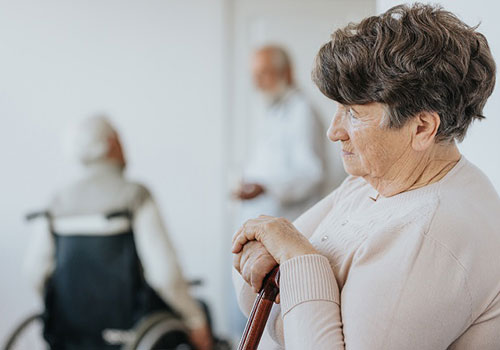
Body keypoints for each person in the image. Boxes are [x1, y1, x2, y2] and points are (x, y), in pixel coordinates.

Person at [232, 4, 500, 349]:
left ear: (421, 127)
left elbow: (276, 280)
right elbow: (253, 292)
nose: (333, 131)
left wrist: (297, 259)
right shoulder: (367, 183)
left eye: (354, 114)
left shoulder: (433, 236)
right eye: (339, 108)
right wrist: (297, 290)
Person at [24, 116, 212, 350]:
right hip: (130, 330)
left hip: (69, 332)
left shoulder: (57, 202)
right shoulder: (134, 195)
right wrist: (195, 320)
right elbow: (165, 275)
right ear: (112, 143)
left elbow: (35, 271)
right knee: (202, 310)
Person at [234, 45, 325, 222]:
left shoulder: (302, 112)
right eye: (254, 75)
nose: (257, 83)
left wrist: (266, 188)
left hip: (287, 221)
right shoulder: (274, 109)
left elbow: (312, 174)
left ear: (287, 72)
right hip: (261, 218)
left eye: (264, 73)